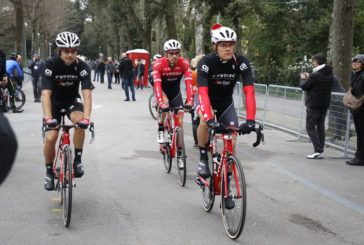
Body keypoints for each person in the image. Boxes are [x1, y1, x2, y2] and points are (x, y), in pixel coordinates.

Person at [195, 26, 256, 196]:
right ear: (215, 46)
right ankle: (202, 158)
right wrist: (209, 119)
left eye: (231, 44)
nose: (228, 48)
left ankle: (226, 184)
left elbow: (249, 90)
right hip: (205, 100)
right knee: (204, 122)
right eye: (223, 45)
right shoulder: (206, 62)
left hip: (225, 103)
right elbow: (202, 92)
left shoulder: (241, 62)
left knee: (232, 143)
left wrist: (251, 120)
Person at [41, 31, 92, 191]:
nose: (70, 55)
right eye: (66, 51)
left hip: (71, 101)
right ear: (59, 51)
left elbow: (87, 94)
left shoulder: (82, 66)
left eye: (73, 51)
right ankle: (49, 172)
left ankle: (77, 160)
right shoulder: (50, 64)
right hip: (54, 103)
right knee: (51, 136)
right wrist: (49, 119)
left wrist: (87, 118)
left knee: (80, 121)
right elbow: (45, 94)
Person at [153, 39, 193, 145]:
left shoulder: (184, 63)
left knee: (180, 121)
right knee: (164, 103)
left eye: (177, 53)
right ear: (166, 54)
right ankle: (161, 127)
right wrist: (160, 103)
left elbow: (189, 83)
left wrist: (190, 101)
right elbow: (157, 84)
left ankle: (180, 151)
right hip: (162, 90)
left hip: (175, 92)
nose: (174, 56)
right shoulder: (158, 64)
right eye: (171, 53)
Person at [300, 53, 334, 159]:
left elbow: (304, 86)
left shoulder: (316, 75)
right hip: (324, 103)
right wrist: (310, 78)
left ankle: (318, 150)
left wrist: (303, 78)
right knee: (320, 126)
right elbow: (318, 83)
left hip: (314, 104)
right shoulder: (329, 73)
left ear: (316, 61)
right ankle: (320, 150)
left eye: (314, 61)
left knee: (310, 127)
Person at [346, 54, 364, 166]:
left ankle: (360, 158)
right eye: (354, 61)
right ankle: (359, 155)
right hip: (358, 109)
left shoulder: (362, 76)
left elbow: (357, 90)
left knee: (361, 133)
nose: (355, 63)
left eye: (358, 62)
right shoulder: (356, 75)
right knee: (360, 133)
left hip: (361, 109)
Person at [190, 54, 204, 148]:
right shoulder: (207, 73)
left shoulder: (193, 73)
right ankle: (204, 141)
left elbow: (189, 88)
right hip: (200, 97)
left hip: (194, 98)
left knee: (195, 121)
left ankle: (197, 142)